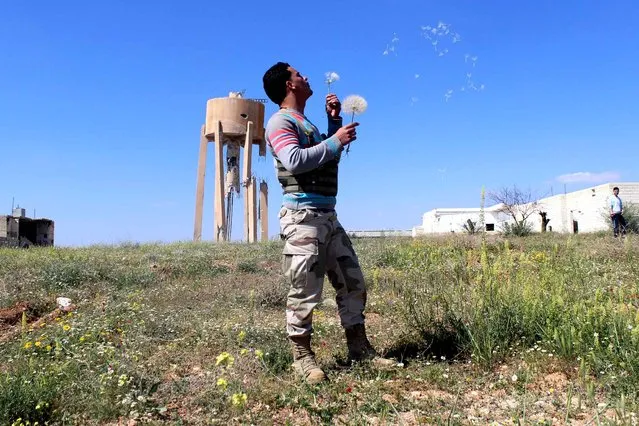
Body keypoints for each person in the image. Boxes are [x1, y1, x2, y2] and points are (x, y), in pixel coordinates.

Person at [262, 62, 395, 384]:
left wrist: (334, 122)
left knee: (353, 283)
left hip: (328, 218)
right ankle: (302, 358)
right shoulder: (280, 121)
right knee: (304, 291)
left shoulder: (304, 122)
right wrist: (335, 138)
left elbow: (323, 158)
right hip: (303, 220)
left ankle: (359, 348)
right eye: (298, 75)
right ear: (289, 85)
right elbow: (294, 161)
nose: (305, 77)